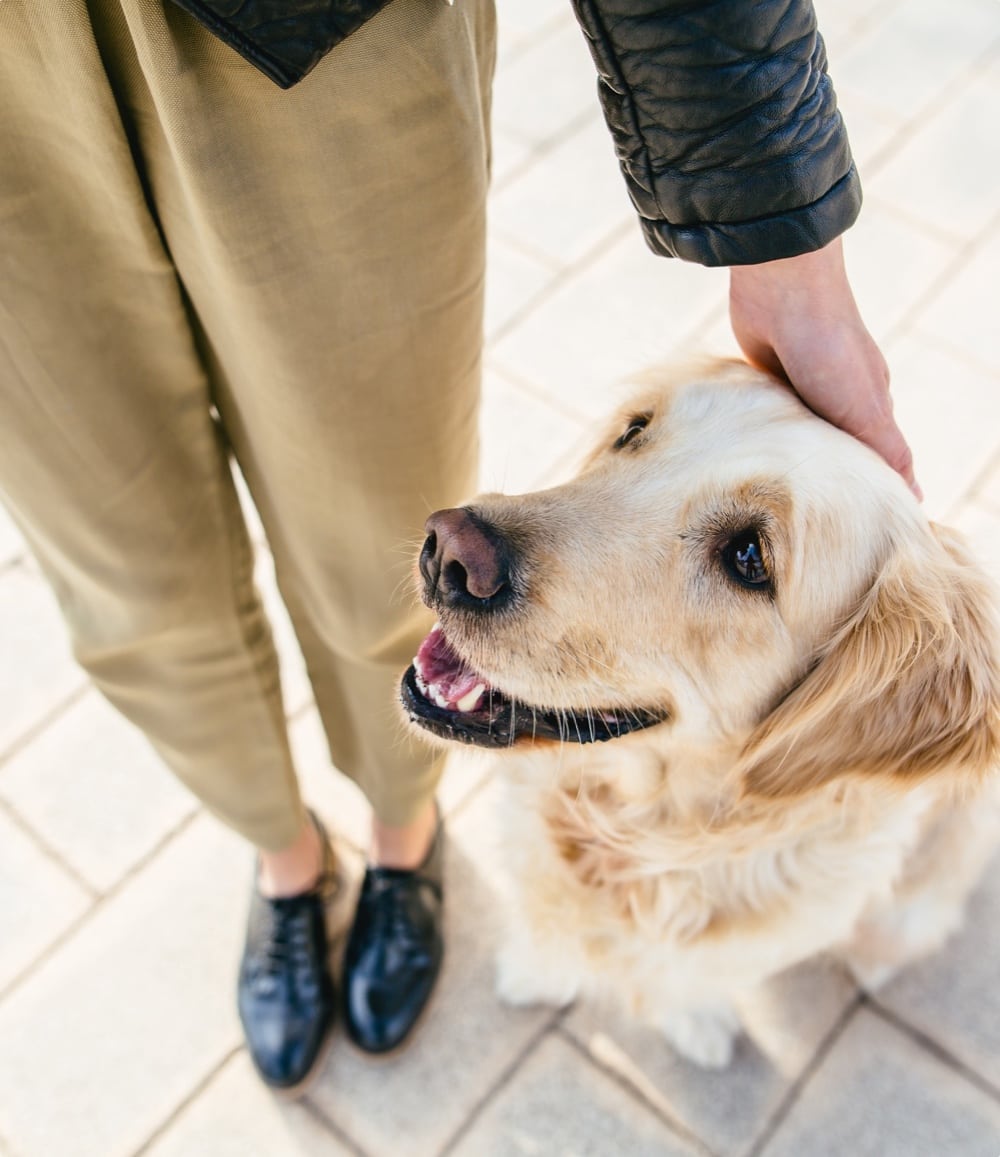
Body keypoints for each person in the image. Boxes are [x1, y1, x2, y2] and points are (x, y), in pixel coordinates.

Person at [0, 0, 917, 1095]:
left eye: (745, 560)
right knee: (131, 584)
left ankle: (403, 829)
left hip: (320, 34)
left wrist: (788, 234)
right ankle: (284, 856)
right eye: (632, 434)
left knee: (368, 532)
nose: (477, 542)